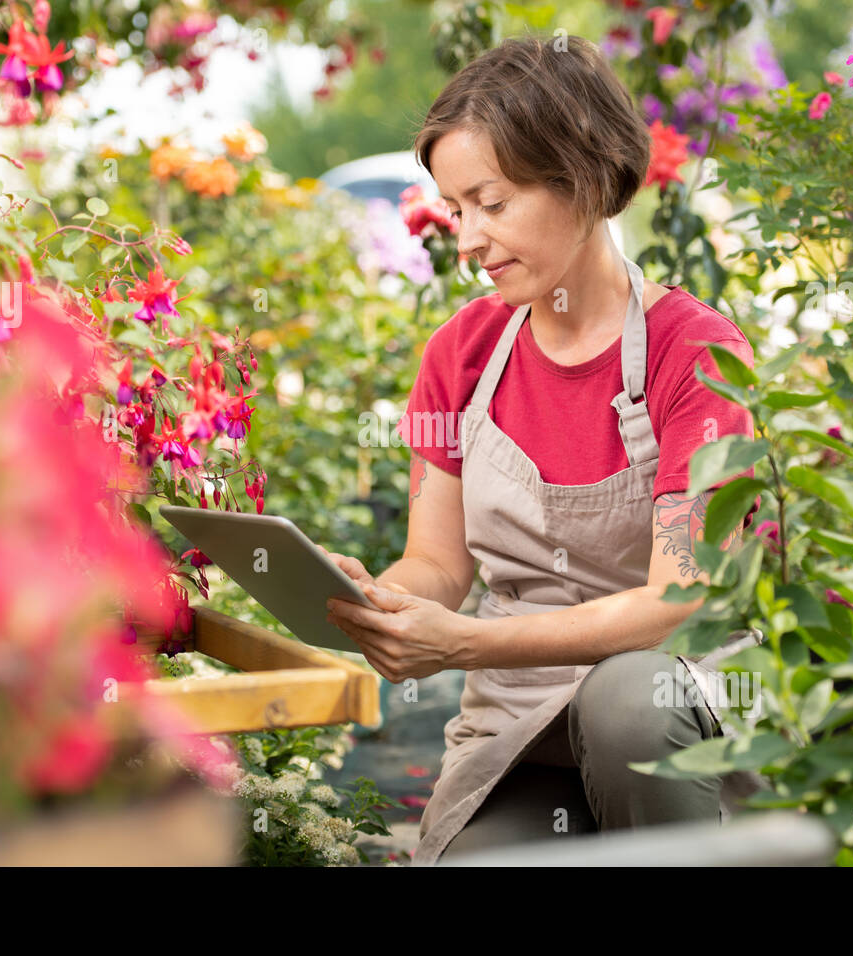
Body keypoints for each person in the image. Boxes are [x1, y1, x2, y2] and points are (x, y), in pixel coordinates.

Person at [324, 34, 762, 867]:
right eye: (456, 210)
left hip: (672, 701)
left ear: (583, 176)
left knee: (631, 699)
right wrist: (379, 598)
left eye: (492, 202)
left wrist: (464, 645)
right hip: (521, 723)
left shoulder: (694, 353)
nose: (467, 238)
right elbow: (439, 566)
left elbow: (679, 601)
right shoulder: (459, 352)